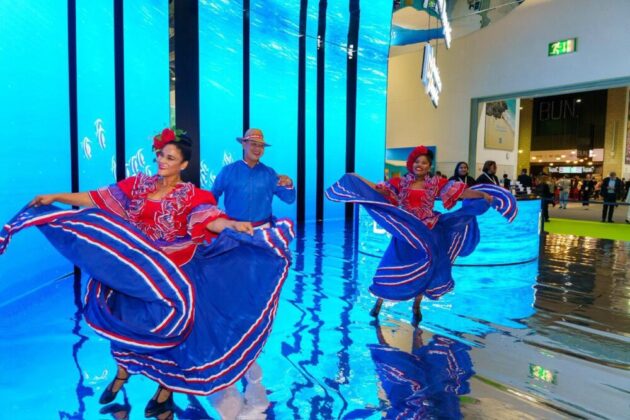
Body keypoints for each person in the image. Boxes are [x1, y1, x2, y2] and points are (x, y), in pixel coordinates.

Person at [0, 128, 294, 418]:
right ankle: (123, 374)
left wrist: (231, 225)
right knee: (126, 324)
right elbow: (97, 198)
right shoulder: (139, 185)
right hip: (137, 273)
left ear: (183, 164)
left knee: (176, 336)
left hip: (175, 275)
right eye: (161, 155)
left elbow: (209, 217)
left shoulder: (191, 195)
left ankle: (165, 390)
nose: (162, 161)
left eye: (170, 158)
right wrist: (55, 197)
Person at [326, 146, 517, 324]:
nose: (420, 165)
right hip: (406, 231)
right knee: (391, 263)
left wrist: (482, 195)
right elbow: (378, 189)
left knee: (427, 265)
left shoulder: (436, 183)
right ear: (411, 164)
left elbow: (462, 193)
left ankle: (416, 305)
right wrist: (357, 177)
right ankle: (379, 302)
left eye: (424, 162)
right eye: (417, 162)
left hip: (428, 230)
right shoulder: (400, 182)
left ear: (429, 166)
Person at [212, 128, 295, 226]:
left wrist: (289, 184)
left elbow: (290, 199)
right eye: (254, 144)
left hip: (263, 229)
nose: (257, 149)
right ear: (244, 144)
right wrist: (214, 220)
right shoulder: (228, 171)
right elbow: (212, 197)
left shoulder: (270, 173)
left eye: (261, 146)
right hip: (234, 229)